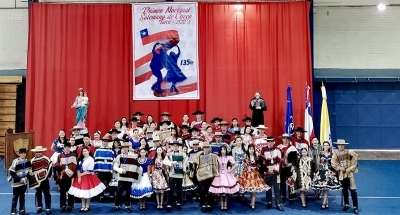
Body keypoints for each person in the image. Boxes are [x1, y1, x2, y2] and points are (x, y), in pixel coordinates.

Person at [68, 146, 106, 212]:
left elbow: (90, 170)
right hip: (80, 176)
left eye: (85, 151)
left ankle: (87, 206)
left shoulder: (91, 159)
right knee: (82, 192)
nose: (84, 152)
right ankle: (83, 206)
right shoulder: (80, 159)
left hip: (88, 177)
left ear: (88, 151)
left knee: (87, 192)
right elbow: (78, 168)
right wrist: (79, 175)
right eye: (83, 151)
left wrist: (80, 175)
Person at [111, 141, 142, 213]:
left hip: (129, 178)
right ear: (121, 149)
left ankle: (127, 206)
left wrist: (139, 174)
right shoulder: (119, 156)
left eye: (126, 147)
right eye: (123, 148)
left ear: (128, 148)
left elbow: (138, 166)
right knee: (118, 192)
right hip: (121, 177)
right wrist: (121, 170)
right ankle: (116, 205)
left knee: (128, 192)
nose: (124, 149)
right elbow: (115, 167)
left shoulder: (132, 156)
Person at [236, 144, 270, 210]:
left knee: (254, 189)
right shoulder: (245, 156)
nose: (251, 150)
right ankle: (251, 201)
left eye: (252, 149)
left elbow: (260, 164)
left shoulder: (256, 156)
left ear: (254, 149)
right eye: (250, 149)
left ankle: (253, 203)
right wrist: (246, 166)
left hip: (255, 174)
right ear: (248, 150)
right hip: (247, 174)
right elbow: (243, 164)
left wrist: (257, 167)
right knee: (250, 189)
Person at [331, 139, 359, 215]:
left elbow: (355, 161)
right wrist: (340, 168)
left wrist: (349, 169)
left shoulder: (350, 153)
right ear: (337, 145)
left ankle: (355, 207)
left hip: (349, 175)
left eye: (342, 145)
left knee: (353, 190)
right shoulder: (335, 154)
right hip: (341, 175)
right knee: (344, 190)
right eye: (339, 145)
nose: (340, 146)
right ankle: (346, 204)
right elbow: (333, 163)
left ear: (344, 145)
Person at [209, 145, 240, 211]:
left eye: (224, 150)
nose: (223, 151)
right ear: (220, 150)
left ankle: (225, 204)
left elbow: (236, 164)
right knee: (221, 191)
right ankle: (221, 205)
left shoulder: (229, 157)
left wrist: (230, 170)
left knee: (226, 192)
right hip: (219, 175)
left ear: (226, 150)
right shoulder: (217, 157)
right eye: (222, 150)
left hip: (227, 175)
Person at [311, 141, 341, 210]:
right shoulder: (320, 153)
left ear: (329, 146)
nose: (326, 146)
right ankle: (326, 202)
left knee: (327, 188)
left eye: (327, 145)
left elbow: (335, 163)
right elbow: (318, 162)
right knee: (324, 188)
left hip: (330, 172)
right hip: (322, 172)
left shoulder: (332, 154)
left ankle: (324, 203)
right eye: (324, 145)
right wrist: (322, 165)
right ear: (323, 146)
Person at [260, 136, 284, 211]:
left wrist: (275, 170)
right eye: (268, 141)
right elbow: (261, 162)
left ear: (274, 142)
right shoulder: (263, 150)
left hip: (275, 172)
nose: (270, 143)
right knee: (268, 188)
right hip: (267, 172)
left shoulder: (278, 149)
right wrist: (267, 170)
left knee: (277, 188)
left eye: (271, 141)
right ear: (267, 142)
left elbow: (280, 161)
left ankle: (278, 204)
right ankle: (269, 202)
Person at [163, 141, 188, 213]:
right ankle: (169, 204)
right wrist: (171, 163)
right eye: (174, 146)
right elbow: (165, 161)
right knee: (171, 189)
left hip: (180, 174)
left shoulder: (183, 154)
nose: (175, 147)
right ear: (172, 147)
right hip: (172, 174)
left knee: (179, 189)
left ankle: (179, 203)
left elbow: (186, 162)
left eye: (177, 146)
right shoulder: (169, 154)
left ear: (179, 146)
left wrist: (184, 169)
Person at [194, 142, 219, 213]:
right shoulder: (199, 155)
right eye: (205, 147)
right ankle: (202, 204)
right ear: (202, 148)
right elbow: (195, 165)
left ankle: (210, 204)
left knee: (209, 190)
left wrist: (215, 173)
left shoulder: (213, 156)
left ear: (209, 148)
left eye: (207, 147)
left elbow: (216, 165)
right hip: (201, 175)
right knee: (202, 190)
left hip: (210, 175)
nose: (206, 148)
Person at [54, 141, 77, 213]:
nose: (66, 148)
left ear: (70, 148)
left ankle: (70, 205)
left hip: (70, 176)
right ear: (63, 148)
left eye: (68, 147)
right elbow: (57, 164)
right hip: (62, 177)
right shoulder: (60, 155)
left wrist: (64, 172)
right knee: (62, 192)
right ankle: (63, 206)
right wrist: (57, 167)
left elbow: (73, 166)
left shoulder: (73, 155)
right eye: (65, 147)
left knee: (70, 191)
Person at [8, 148, 33, 215]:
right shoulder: (15, 161)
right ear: (19, 154)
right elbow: (12, 173)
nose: (23, 154)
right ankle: (13, 211)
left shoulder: (28, 162)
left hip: (24, 182)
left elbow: (30, 172)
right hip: (16, 183)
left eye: (24, 153)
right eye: (21, 153)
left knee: (22, 196)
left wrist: (25, 178)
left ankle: (21, 210)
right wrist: (20, 179)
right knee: (15, 197)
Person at [29, 146, 53, 215]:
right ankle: (39, 206)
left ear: (42, 152)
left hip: (45, 179)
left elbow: (50, 166)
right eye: (37, 152)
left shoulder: (45, 159)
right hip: (37, 180)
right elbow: (31, 170)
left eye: (39, 152)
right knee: (38, 193)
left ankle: (48, 207)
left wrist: (49, 175)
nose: (38, 153)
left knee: (46, 193)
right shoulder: (32, 161)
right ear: (35, 153)